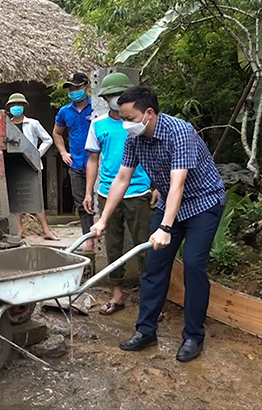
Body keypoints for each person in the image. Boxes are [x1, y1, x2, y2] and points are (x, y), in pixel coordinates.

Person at [91, 86, 225, 362]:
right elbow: (122, 179)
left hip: (202, 203)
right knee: (154, 267)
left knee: (193, 265)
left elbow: (178, 184)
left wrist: (165, 228)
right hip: (170, 205)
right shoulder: (134, 138)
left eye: (129, 117)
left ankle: (193, 336)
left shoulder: (180, 132)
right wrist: (102, 220)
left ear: (148, 114)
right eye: (122, 117)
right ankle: (146, 331)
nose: (125, 123)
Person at [83, 73, 155, 315]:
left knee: (145, 245)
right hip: (107, 192)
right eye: (111, 96)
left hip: (139, 191)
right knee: (113, 246)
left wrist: (156, 186)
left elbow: (158, 155)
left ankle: (150, 299)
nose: (115, 99)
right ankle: (117, 295)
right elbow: (93, 159)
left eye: (119, 95)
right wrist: (89, 192)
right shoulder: (98, 124)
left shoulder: (139, 122)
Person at [5, 93, 58, 240]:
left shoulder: (33, 123)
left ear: (24, 107)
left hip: (32, 164)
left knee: (36, 198)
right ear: (9, 108)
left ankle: (46, 231)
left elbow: (47, 139)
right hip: (14, 164)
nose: (16, 108)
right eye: (13, 105)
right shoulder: (6, 125)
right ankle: (19, 231)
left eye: (19, 105)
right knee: (16, 199)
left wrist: (37, 154)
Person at [52, 72, 94, 251]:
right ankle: (88, 239)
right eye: (70, 88)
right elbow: (57, 133)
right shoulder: (64, 112)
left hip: (97, 162)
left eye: (76, 87)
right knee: (81, 204)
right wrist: (63, 153)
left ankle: (102, 236)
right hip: (76, 163)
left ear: (86, 86)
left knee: (98, 201)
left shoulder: (97, 107)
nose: (73, 91)